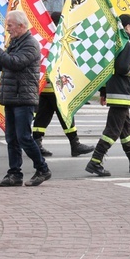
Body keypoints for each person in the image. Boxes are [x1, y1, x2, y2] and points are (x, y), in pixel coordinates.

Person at [0, 11, 51, 187]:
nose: (8, 29)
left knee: (24, 138)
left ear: (22, 26)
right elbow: (1, 65)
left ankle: (43, 169)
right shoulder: (16, 43)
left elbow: (14, 62)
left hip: (23, 98)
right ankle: (14, 174)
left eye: (10, 25)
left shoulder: (30, 44)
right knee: (12, 138)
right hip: (12, 97)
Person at [86, 14, 130, 176]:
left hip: (118, 93)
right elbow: (123, 68)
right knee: (113, 130)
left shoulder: (116, 42)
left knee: (126, 128)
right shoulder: (124, 43)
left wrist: (104, 91)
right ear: (127, 26)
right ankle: (95, 161)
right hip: (122, 93)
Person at [31, 13, 94, 158]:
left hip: (44, 86)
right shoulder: (59, 39)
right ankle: (75, 144)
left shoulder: (43, 37)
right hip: (56, 85)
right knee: (66, 113)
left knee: (43, 116)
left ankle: (37, 143)